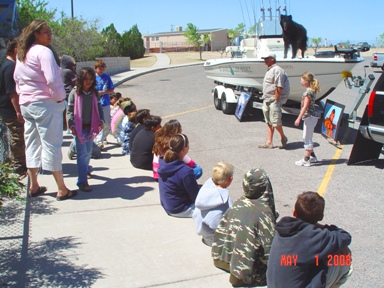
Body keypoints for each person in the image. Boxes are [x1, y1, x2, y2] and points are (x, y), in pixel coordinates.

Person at [14, 20, 75, 200]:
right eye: (45, 32)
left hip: (27, 104)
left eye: (49, 31)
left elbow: (17, 79)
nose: (50, 35)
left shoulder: (22, 54)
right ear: (35, 34)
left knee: (32, 143)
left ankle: (33, 185)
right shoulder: (44, 52)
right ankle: (61, 188)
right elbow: (52, 80)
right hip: (45, 104)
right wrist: (59, 98)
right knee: (52, 144)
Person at [267, 191, 352, 288]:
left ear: (294, 212)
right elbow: (345, 237)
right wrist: (323, 227)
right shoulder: (314, 236)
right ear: (321, 217)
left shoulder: (282, 229)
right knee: (344, 258)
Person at [211, 168, 277, 287]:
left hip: (222, 259)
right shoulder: (264, 214)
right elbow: (270, 254)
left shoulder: (237, 204)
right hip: (243, 276)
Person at [67, 67, 104, 192]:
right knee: (82, 154)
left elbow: (99, 109)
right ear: (81, 80)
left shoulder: (94, 93)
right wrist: (72, 125)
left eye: (91, 79)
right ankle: (82, 181)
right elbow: (70, 111)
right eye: (86, 79)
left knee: (88, 152)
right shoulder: (75, 93)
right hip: (79, 128)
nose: (88, 82)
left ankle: (85, 170)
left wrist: (101, 121)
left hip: (90, 128)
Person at [0, 38, 27, 177]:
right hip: (10, 109)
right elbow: (12, 92)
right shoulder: (10, 67)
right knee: (17, 137)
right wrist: (18, 111)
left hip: (9, 108)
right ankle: (19, 166)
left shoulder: (7, 64)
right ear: (16, 49)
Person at [158, 134, 200, 218]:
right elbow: (195, 197)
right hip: (180, 209)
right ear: (184, 149)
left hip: (168, 204)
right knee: (215, 205)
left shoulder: (162, 162)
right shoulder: (185, 172)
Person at [192, 162, 234, 246]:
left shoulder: (205, 190)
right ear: (230, 179)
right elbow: (219, 224)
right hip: (215, 240)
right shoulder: (224, 202)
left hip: (205, 235)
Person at [258, 52, 290, 149]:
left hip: (274, 100)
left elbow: (279, 87)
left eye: (266, 59)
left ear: (272, 59)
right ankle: (269, 142)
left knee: (275, 122)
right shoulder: (270, 70)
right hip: (267, 99)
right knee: (268, 121)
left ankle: (283, 137)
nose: (265, 61)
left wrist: (276, 100)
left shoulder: (277, 70)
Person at [294, 72, 320, 167]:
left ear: (306, 81)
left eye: (302, 80)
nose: (301, 81)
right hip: (311, 117)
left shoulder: (307, 93)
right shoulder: (311, 91)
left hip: (309, 117)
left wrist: (298, 118)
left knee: (307, 138)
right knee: (306, 137)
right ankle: (312, 156)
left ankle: (306, 159)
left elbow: (305, 107)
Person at [94, 60, 114, 149]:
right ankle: (99, 141)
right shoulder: (92, 78)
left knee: (107, 123)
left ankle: (104, 136)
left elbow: (111, 90)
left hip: (105, 103)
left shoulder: (107, 77)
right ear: (96, 69)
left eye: (103, 69)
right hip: (95, 103)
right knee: (99, 122)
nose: (101, 71)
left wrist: (104, 92)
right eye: (99, 69)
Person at [60, 54, 77, 134]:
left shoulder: (59, 70)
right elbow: (76, 81)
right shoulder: (69, 71)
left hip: (62, 92)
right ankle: (70, 127)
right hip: (70, 93)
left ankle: (66, 127)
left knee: (66, 110)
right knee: (70, 110)